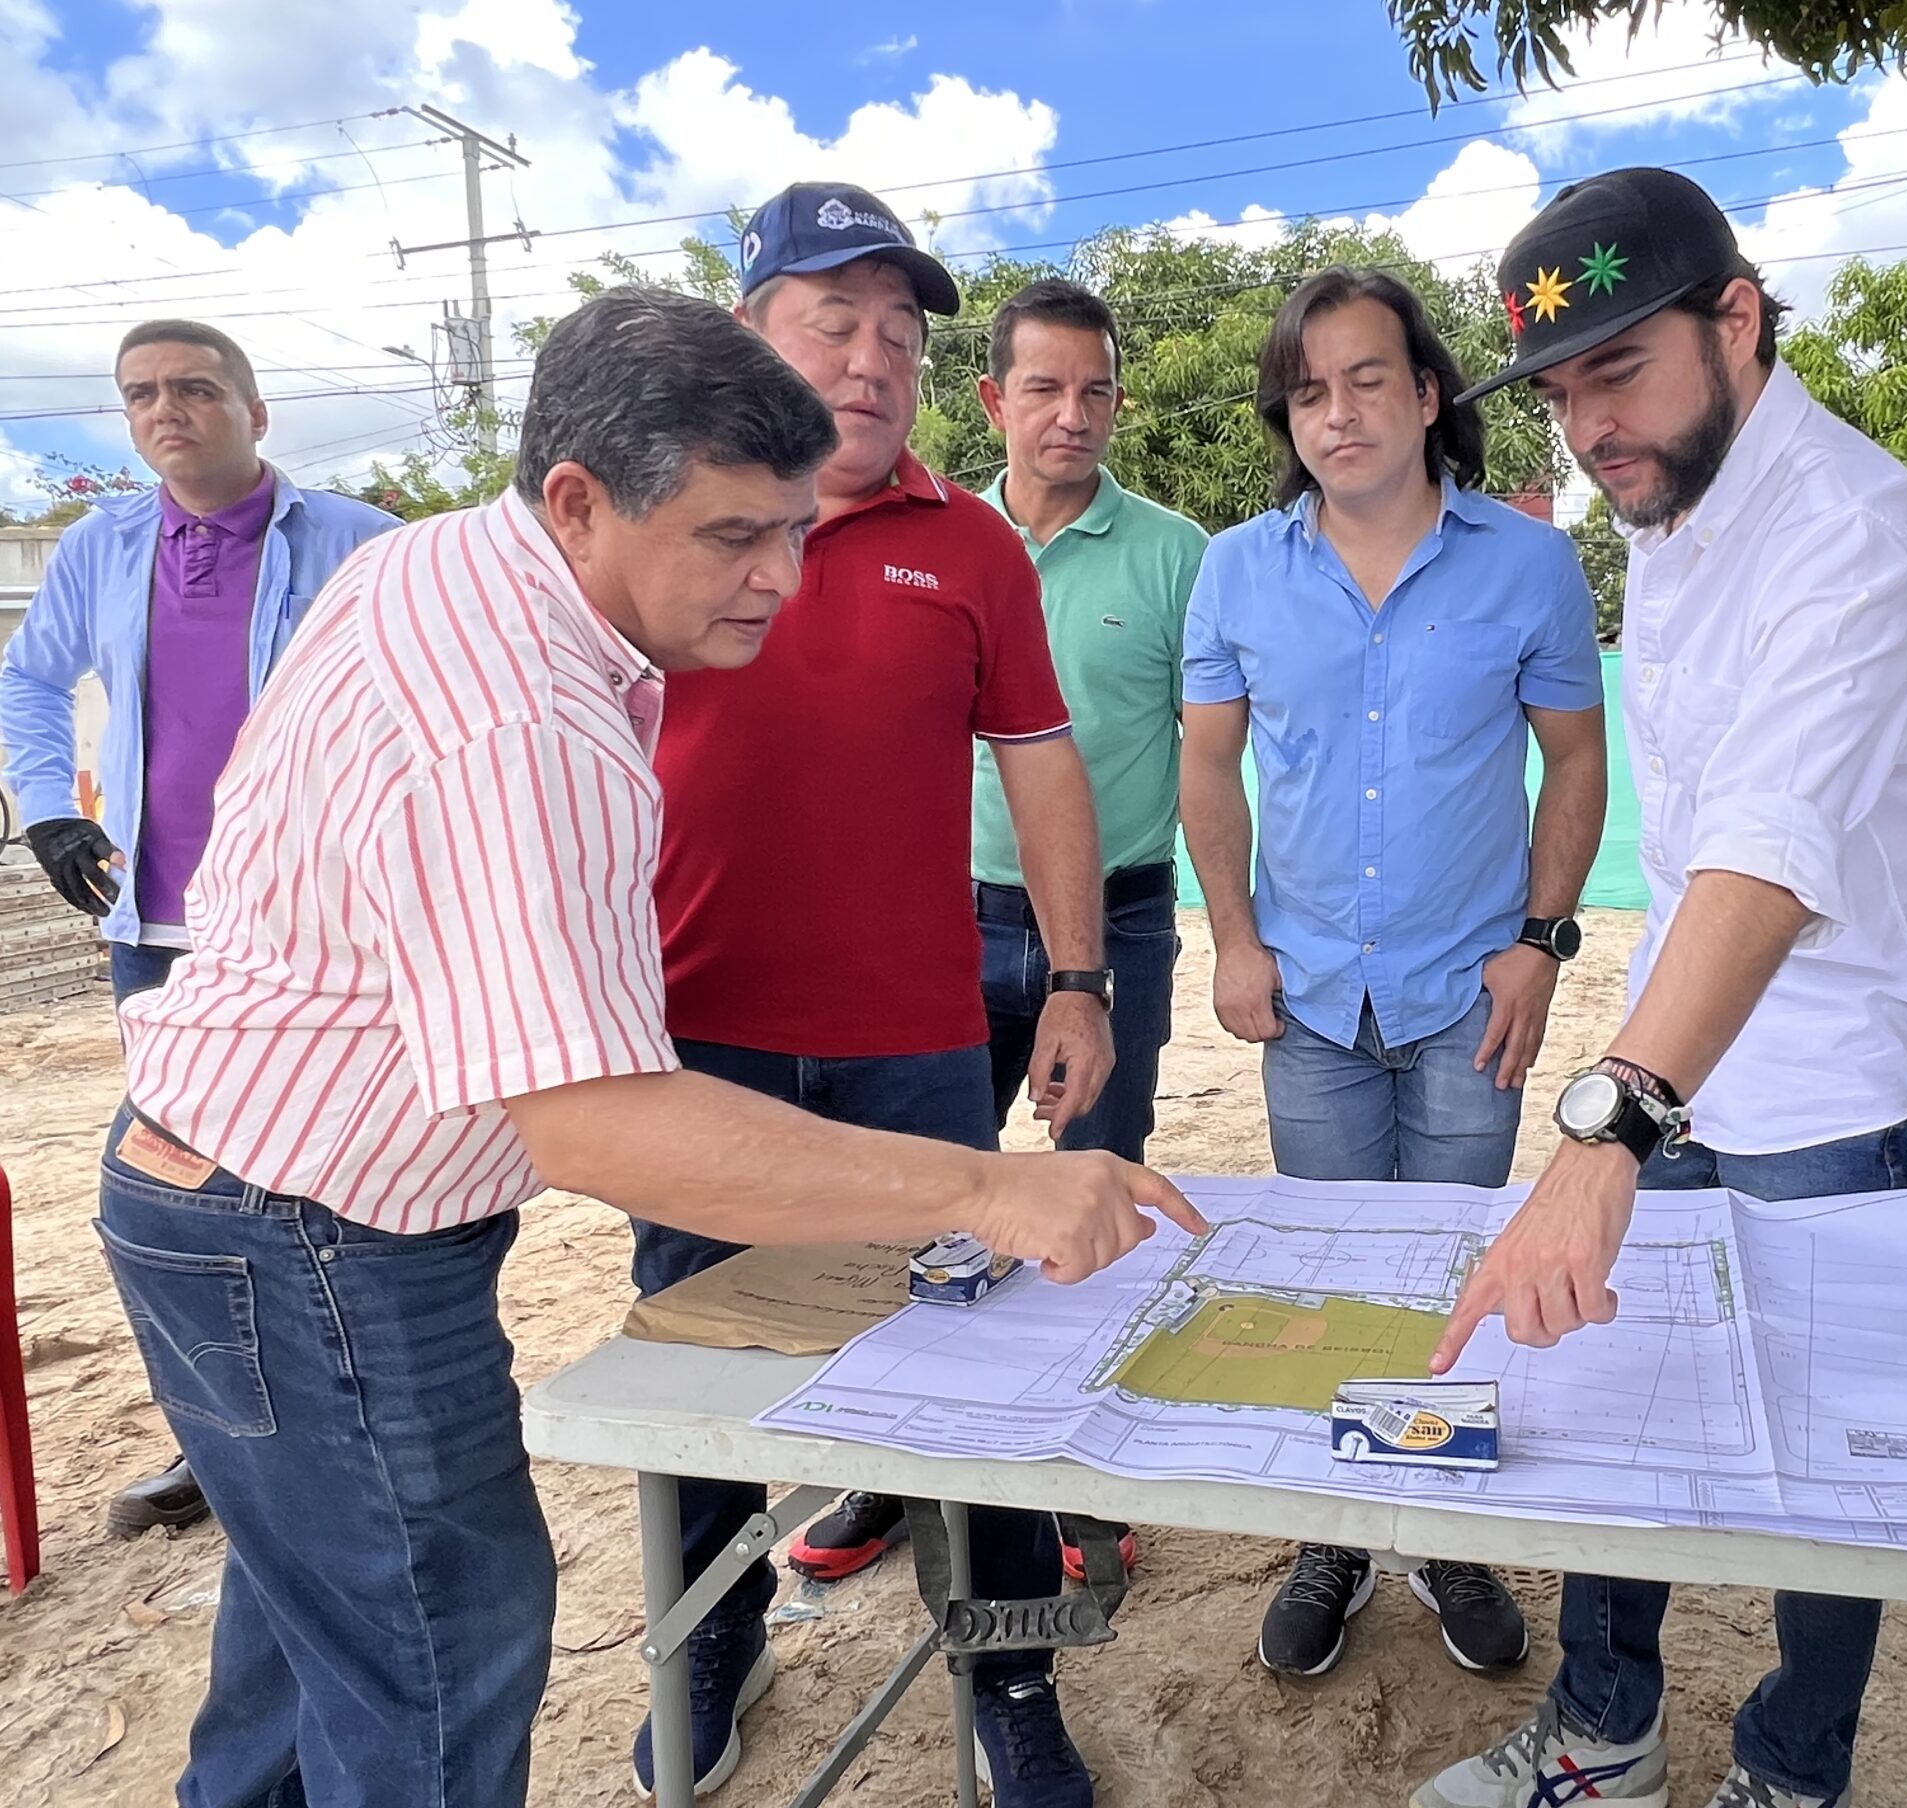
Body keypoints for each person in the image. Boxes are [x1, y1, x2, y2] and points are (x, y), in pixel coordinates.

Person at [97, 284, 1196, 1808]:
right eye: (733, 539)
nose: (780, 580)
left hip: (234, 1188)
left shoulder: (437, 560)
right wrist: (995, 1191)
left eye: (794, 530)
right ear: (578, 499)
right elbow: (599, 1131)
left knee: (312, 1632)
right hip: (309, 1235)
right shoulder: (530, 726)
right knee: (441, 1646)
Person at [1411, 168, 1907, 1808]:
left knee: (1828, 1461)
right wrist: (1628, 1067)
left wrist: (1600, 1136)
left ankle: (1795, 1772)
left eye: (1624, 370)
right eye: (1564, 392)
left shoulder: (1851, 524)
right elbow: (1689, 855)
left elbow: (1771, 851)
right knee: (1610, 1388)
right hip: (1681, 1050)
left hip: (1830, 1091)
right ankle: (1605, 1733)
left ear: (1737, 322)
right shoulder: (1666, 505)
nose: (1595, 430)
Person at [638, 185, 1116, 1803]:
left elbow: (1042, 765)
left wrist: (1073, 977)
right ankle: (715, 1627)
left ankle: (1009, 1669)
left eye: (901, 334)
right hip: (689, 1040)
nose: (870, 358)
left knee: (972, 1369)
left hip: (919, 1044)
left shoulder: (972, 545)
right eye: (831, 321)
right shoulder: (659, 512)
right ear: (746, 331)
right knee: (705, 1367)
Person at [1182, 267, 1610, 1683]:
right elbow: (1207, 763)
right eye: (1309, 390)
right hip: (1305, 997)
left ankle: (1445, 1535)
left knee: (1446, 1265)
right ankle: (1338, 1536)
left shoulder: (1530, 563)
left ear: (1430, 396)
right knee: (1324, 1269)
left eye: (1369, 378)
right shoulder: (1238, 566)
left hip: (1467, 1000)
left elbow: (1577, 760)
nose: (1339, 412)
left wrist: (1541, 944)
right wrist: (1234, 941)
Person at [0, 318, 393, 1541]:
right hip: (159, 926)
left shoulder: (362, 545)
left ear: (256, 410)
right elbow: (29, 680)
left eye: (196, 388)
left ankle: (362, 1404)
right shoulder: (99, 549)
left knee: (333, 1165)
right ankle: (213, 1438)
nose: (168, 411)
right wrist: (50, 809)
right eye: (141, 396)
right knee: (180, 1190)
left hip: (318, 930)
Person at [975, 277, 1209, 1584]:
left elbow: (1221, 757)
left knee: (1102, 1178)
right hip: (944, 911)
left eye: (1098, 390)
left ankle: (1083, 1466)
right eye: (1046, 388)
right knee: (935, 1184)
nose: (1074, 416)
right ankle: (914, 1468)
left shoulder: (1179, 556)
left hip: (1119, 920)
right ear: (994, 398)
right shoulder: (939, 541)